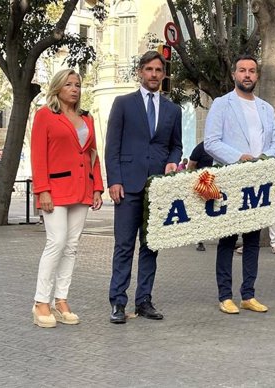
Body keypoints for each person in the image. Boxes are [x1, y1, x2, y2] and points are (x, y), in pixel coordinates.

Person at [106, 50, 183, 324]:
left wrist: (173, 163)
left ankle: (144, 301)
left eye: (158, 70)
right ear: (140, 71)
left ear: (163, 74)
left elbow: (176, 146)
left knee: (151, 246)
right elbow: (112, 145)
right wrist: (114, 180)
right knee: (124, 246)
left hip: (157, 189)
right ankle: (118, 302)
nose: (153, 75)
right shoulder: (123, 103)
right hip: (127, 185)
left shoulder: (173, 110)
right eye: (149, 69)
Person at [204, 54, 275, 314]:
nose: (247, 75)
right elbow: (211, 142)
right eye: (242, 70)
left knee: (252, 240)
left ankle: (248, 294)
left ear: (257, 76)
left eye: (251, 71)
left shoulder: (266, 109)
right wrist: (240, 158)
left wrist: (262, 160)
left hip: (257, 182)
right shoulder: (221, 104)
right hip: (230, 180)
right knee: (227, 240)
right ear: (234, 75)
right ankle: (225, 295)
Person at [30, 69, 104, 328]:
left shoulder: (87, 118)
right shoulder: (45, 116)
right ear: (58, 88)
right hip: (55, 189)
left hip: (83, 188)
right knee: (56, 241)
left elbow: (93, 153)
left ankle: (61, 300)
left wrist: (98, 187)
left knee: (71, 245)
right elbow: (38, 155)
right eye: (69, 84)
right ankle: (41, 302)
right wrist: (42, 189)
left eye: (78, 85)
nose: (75, 89)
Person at [187, 141, 214, 252]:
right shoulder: (201, 147)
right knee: (201, 212)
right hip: (203, 182)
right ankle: (200, 240)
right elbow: (191, 165)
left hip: (218, 181)